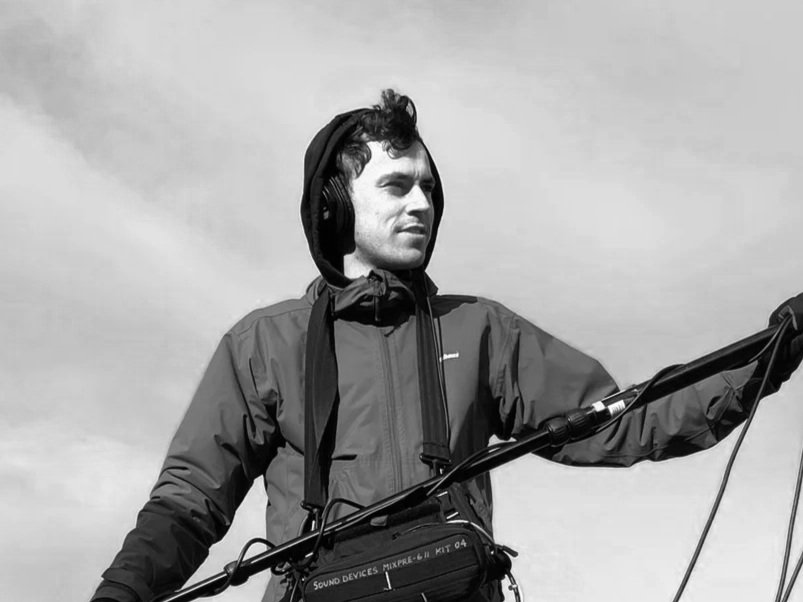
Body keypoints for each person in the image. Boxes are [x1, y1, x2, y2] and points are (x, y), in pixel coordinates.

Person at [91, 89, 803, 602]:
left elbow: (629, 417)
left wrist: (774, 353)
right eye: (397, 185)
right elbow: (188, 504)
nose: (421, 204)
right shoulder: (260, 345)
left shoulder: (480, 328)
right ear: (334, 205)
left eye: (428, 187)